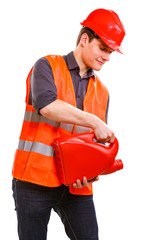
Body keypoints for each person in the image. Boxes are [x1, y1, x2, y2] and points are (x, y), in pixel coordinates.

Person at [12, 8, 125, 240]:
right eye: (103, 48)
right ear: (85, 39)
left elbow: (92, 144)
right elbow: (47, 105)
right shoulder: (47, 66)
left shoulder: (102, 92)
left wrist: (93, 171)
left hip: (77, 186)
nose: (107, 56)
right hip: (35, 180)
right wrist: (93, 121)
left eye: (111, 52)